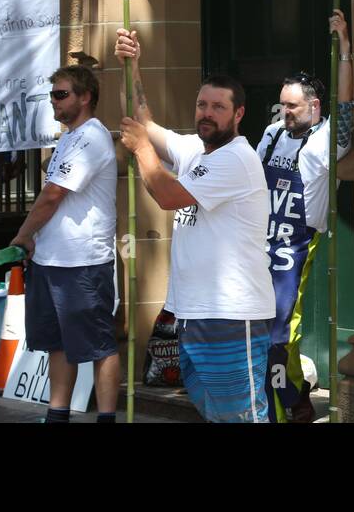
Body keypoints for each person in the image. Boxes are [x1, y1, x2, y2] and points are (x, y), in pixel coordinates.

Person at [114, 29, 275, 423]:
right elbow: (142, 121)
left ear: (238, 114)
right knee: (216, 415)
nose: (207, 112)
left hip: (231, 315)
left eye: (218, 107)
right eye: (202, 104)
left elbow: (167, 195)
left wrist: (142, 149)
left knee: (241, 417)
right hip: (192, 314)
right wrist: (131, 63)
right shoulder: (194, 150)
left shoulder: (236, 158)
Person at [258, 9, 354, 423]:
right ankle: (291, 394)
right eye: (282, 106)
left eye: (293, 106)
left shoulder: (329, 137)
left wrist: (345, 49)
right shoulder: (272, 133)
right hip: (258, 244)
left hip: (295, 246)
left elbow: (347, 106)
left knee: (281, 331)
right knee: (258, 330)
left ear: (315, 106)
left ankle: (288, 406)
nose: (285, 113)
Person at [8, 64, 120, 423]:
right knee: (56, 343)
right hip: (51, 259)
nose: (54, 101)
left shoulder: (91, 137)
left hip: (83, 261)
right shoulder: (69, 137)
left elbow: (53, 194)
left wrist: (23, 234)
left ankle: (106, 418)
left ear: (85, 97)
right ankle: (57, 414)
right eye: (52, 95)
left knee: (99, 345)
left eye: (61, 94)